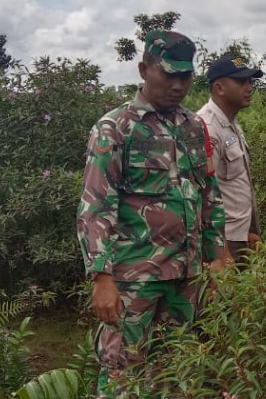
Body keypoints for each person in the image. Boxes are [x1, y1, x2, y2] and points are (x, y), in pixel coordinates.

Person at [77, 29, 228, 398]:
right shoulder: (116, 128)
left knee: (177, 369)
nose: (178, 85)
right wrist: (101, 277)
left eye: (186, 76)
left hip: (186, 276)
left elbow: (207, 193)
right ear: (144, 69)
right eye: (169, 74)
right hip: (133, 278)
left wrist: (218, 253)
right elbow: (96, 204)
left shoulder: (194, 127)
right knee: (122, 371)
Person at [198, 55, 263, 263]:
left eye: (250, 81)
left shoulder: (232, 124)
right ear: (219, 88)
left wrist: (250, 231)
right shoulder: (207, 128)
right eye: (241, 81)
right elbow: (202, 197)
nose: (249, 87)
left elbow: (236, 186)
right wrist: (221, 252)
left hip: (240, 236)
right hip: (225, 243)